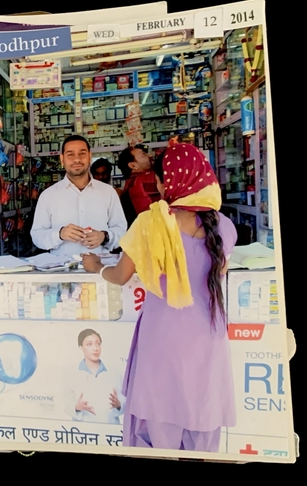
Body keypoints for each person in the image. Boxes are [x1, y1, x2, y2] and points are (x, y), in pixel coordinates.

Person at [81, 142, 237, 453]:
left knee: (157, 422)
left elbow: (121, 275)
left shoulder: (150, 223)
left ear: (172, 182)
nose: (159, 185)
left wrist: (97, 267)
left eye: (161, 179)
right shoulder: (224, 225)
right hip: (208, 334)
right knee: (200, 414)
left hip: (162, 336)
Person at [30, 135, 126, 256]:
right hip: (61, 270)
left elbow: (122, 231)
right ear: (62, 159)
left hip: (100, 269)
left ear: (90, 157)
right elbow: (37, 236)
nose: (77, 159)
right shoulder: (48, 195)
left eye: (82, 153)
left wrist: (104, 236)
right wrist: (60, 234)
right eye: (70, 154)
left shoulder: (108, 192)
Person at [65, 329, 125, 424]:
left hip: (110, 430)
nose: (95, 348)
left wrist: (119, 404)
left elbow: (125, 399)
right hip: (83, 431)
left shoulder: (114, 373)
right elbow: (63, 401)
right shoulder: (71, 373)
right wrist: (76, 407)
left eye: (98, 344)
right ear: (80, 347)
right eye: (89, 344)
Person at [117, 144, 161, 226]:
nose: (150, 155)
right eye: (143, 155)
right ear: (133, 165)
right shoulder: (141, 181)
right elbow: (150, 216)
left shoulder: (131, 183)